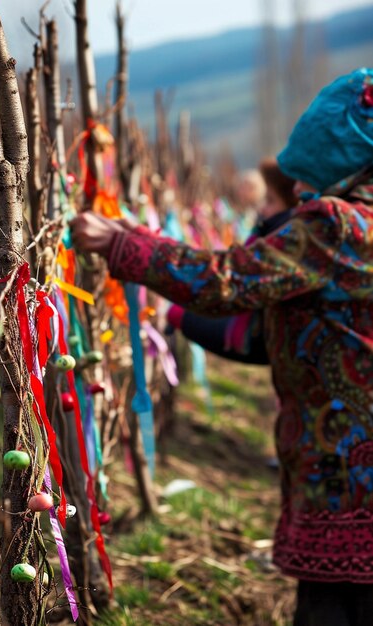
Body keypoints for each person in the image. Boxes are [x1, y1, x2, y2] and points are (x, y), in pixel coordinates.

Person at [71, 68, 373, 625]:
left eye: (308, 181)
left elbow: (224, 281)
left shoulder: (337, 226)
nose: (301, 196)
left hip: (349, 485)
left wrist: (123, 243)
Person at [166, 158, 297, 365]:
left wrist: (183, 317)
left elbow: (254, 334)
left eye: (270, 200)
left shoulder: (286, 258)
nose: (263, 210)